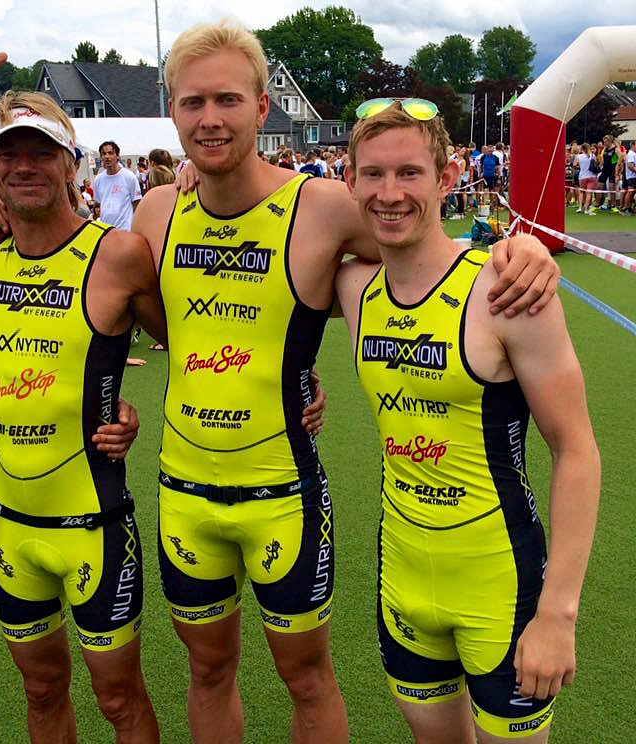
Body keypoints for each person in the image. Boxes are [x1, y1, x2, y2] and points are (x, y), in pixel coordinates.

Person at [140, 22, 560, 743]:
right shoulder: (155, 212)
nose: (210, 118)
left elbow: (420, 253)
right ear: (173, 111)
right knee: (205, 671)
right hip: (182, 490)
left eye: (228, 99)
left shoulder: (325, 206)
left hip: (283, 492)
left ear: (262, 107)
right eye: (193, 102)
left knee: (308, 678)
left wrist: (515, 250)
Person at [0, 24, 166, 742]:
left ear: (70, 163)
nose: (24, 167)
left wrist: (297, 378)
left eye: (41, 152)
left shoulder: (120, 255)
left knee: (119, 700)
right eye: (8, 154)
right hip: (10, 524)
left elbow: (188, 339)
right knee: (41, 691)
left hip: (95, 524)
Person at [333, 99, 599, 744]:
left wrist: (558, 615)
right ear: (351, 182)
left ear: (447, 177)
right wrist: (197, 173)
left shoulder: (507, 290)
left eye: (410, 173)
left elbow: (576, 450)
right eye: (373, 174)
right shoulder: (352, 287)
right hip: (401, 575)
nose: (389, 193)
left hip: (500, 583)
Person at [94, 140, 142, 229]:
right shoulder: (98, 179)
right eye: (104, 154)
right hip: (106, 230)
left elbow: (137, 203)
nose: (107, 156)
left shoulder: (129, 177)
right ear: (101, 157)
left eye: (110, 153)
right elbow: (99, 204)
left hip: (125, 229)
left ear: (117, 156)